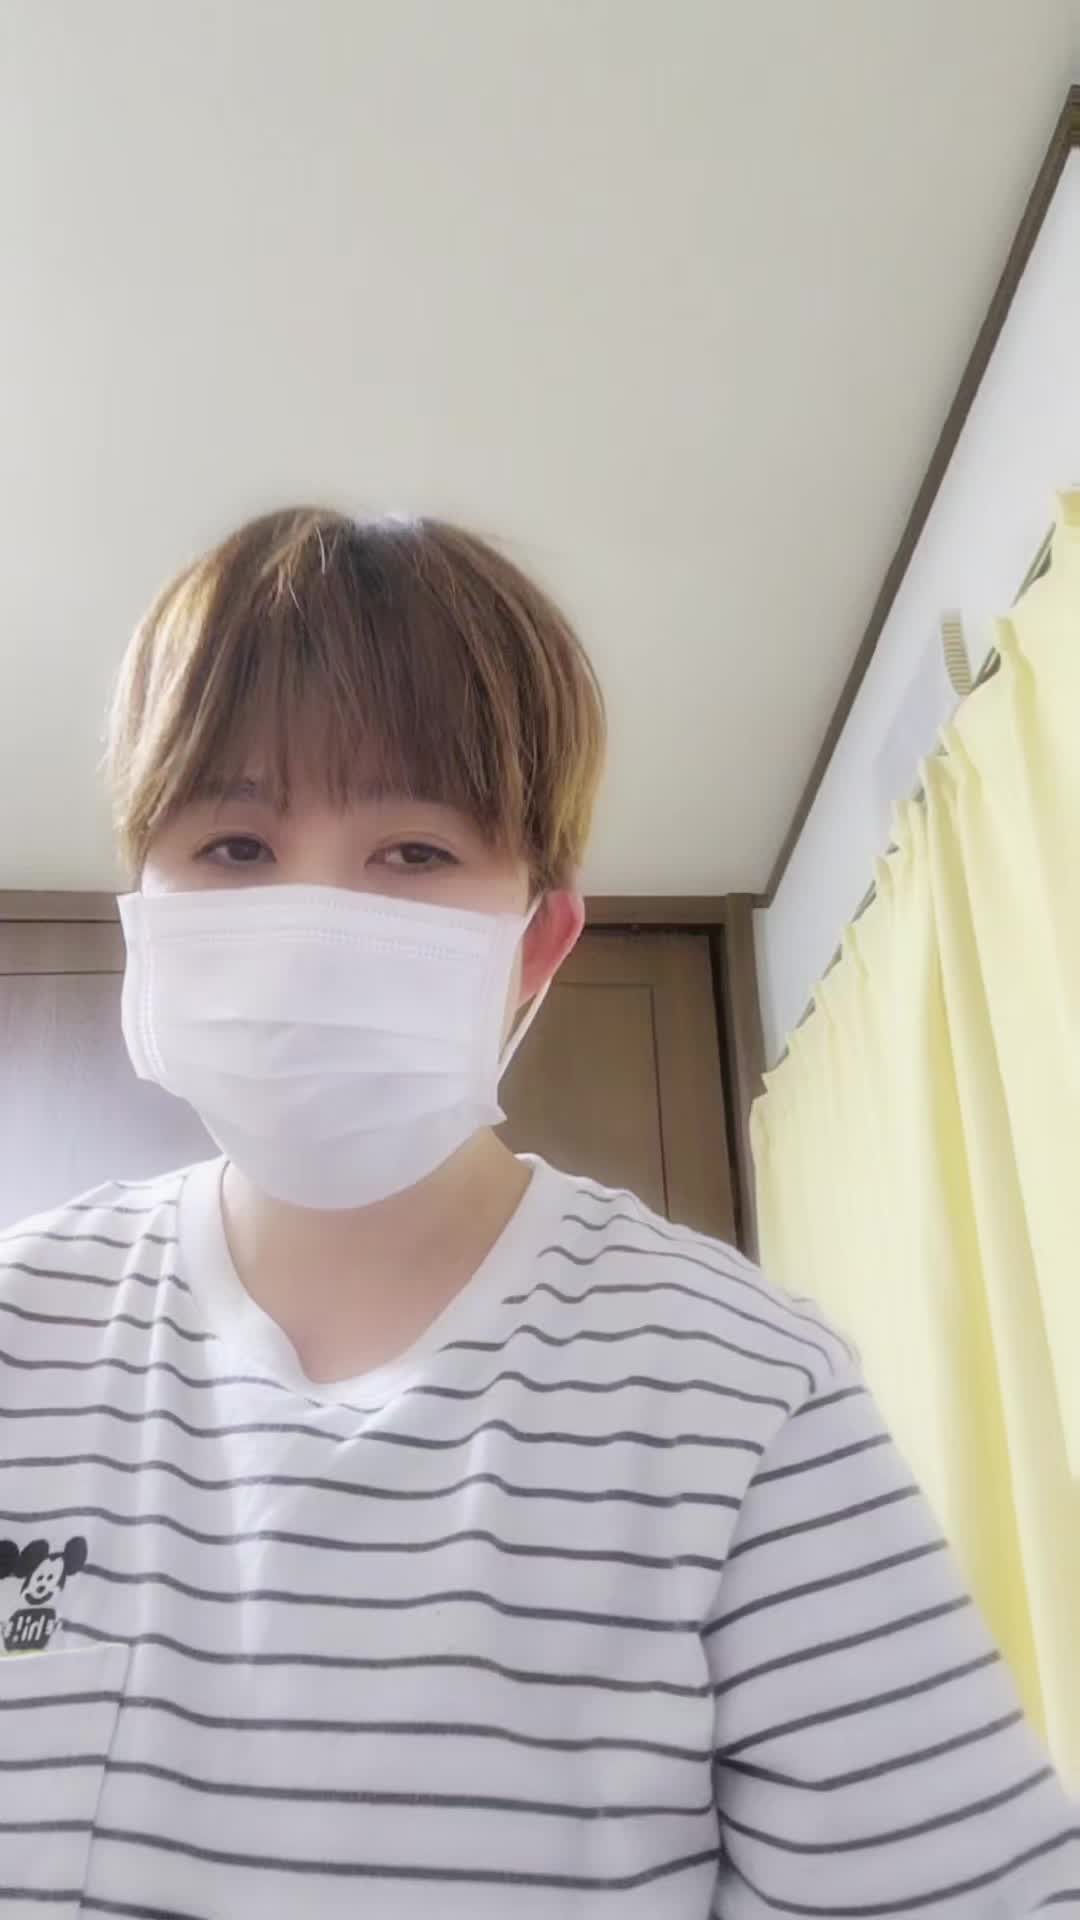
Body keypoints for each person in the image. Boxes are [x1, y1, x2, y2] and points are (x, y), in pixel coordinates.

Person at [0, 506, 1075, 1919]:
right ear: (145, 909)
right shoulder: (20, 1331)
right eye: (237, 845)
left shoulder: (744, 1392)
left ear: (536, 945)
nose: (311, 926)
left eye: (413, 853)